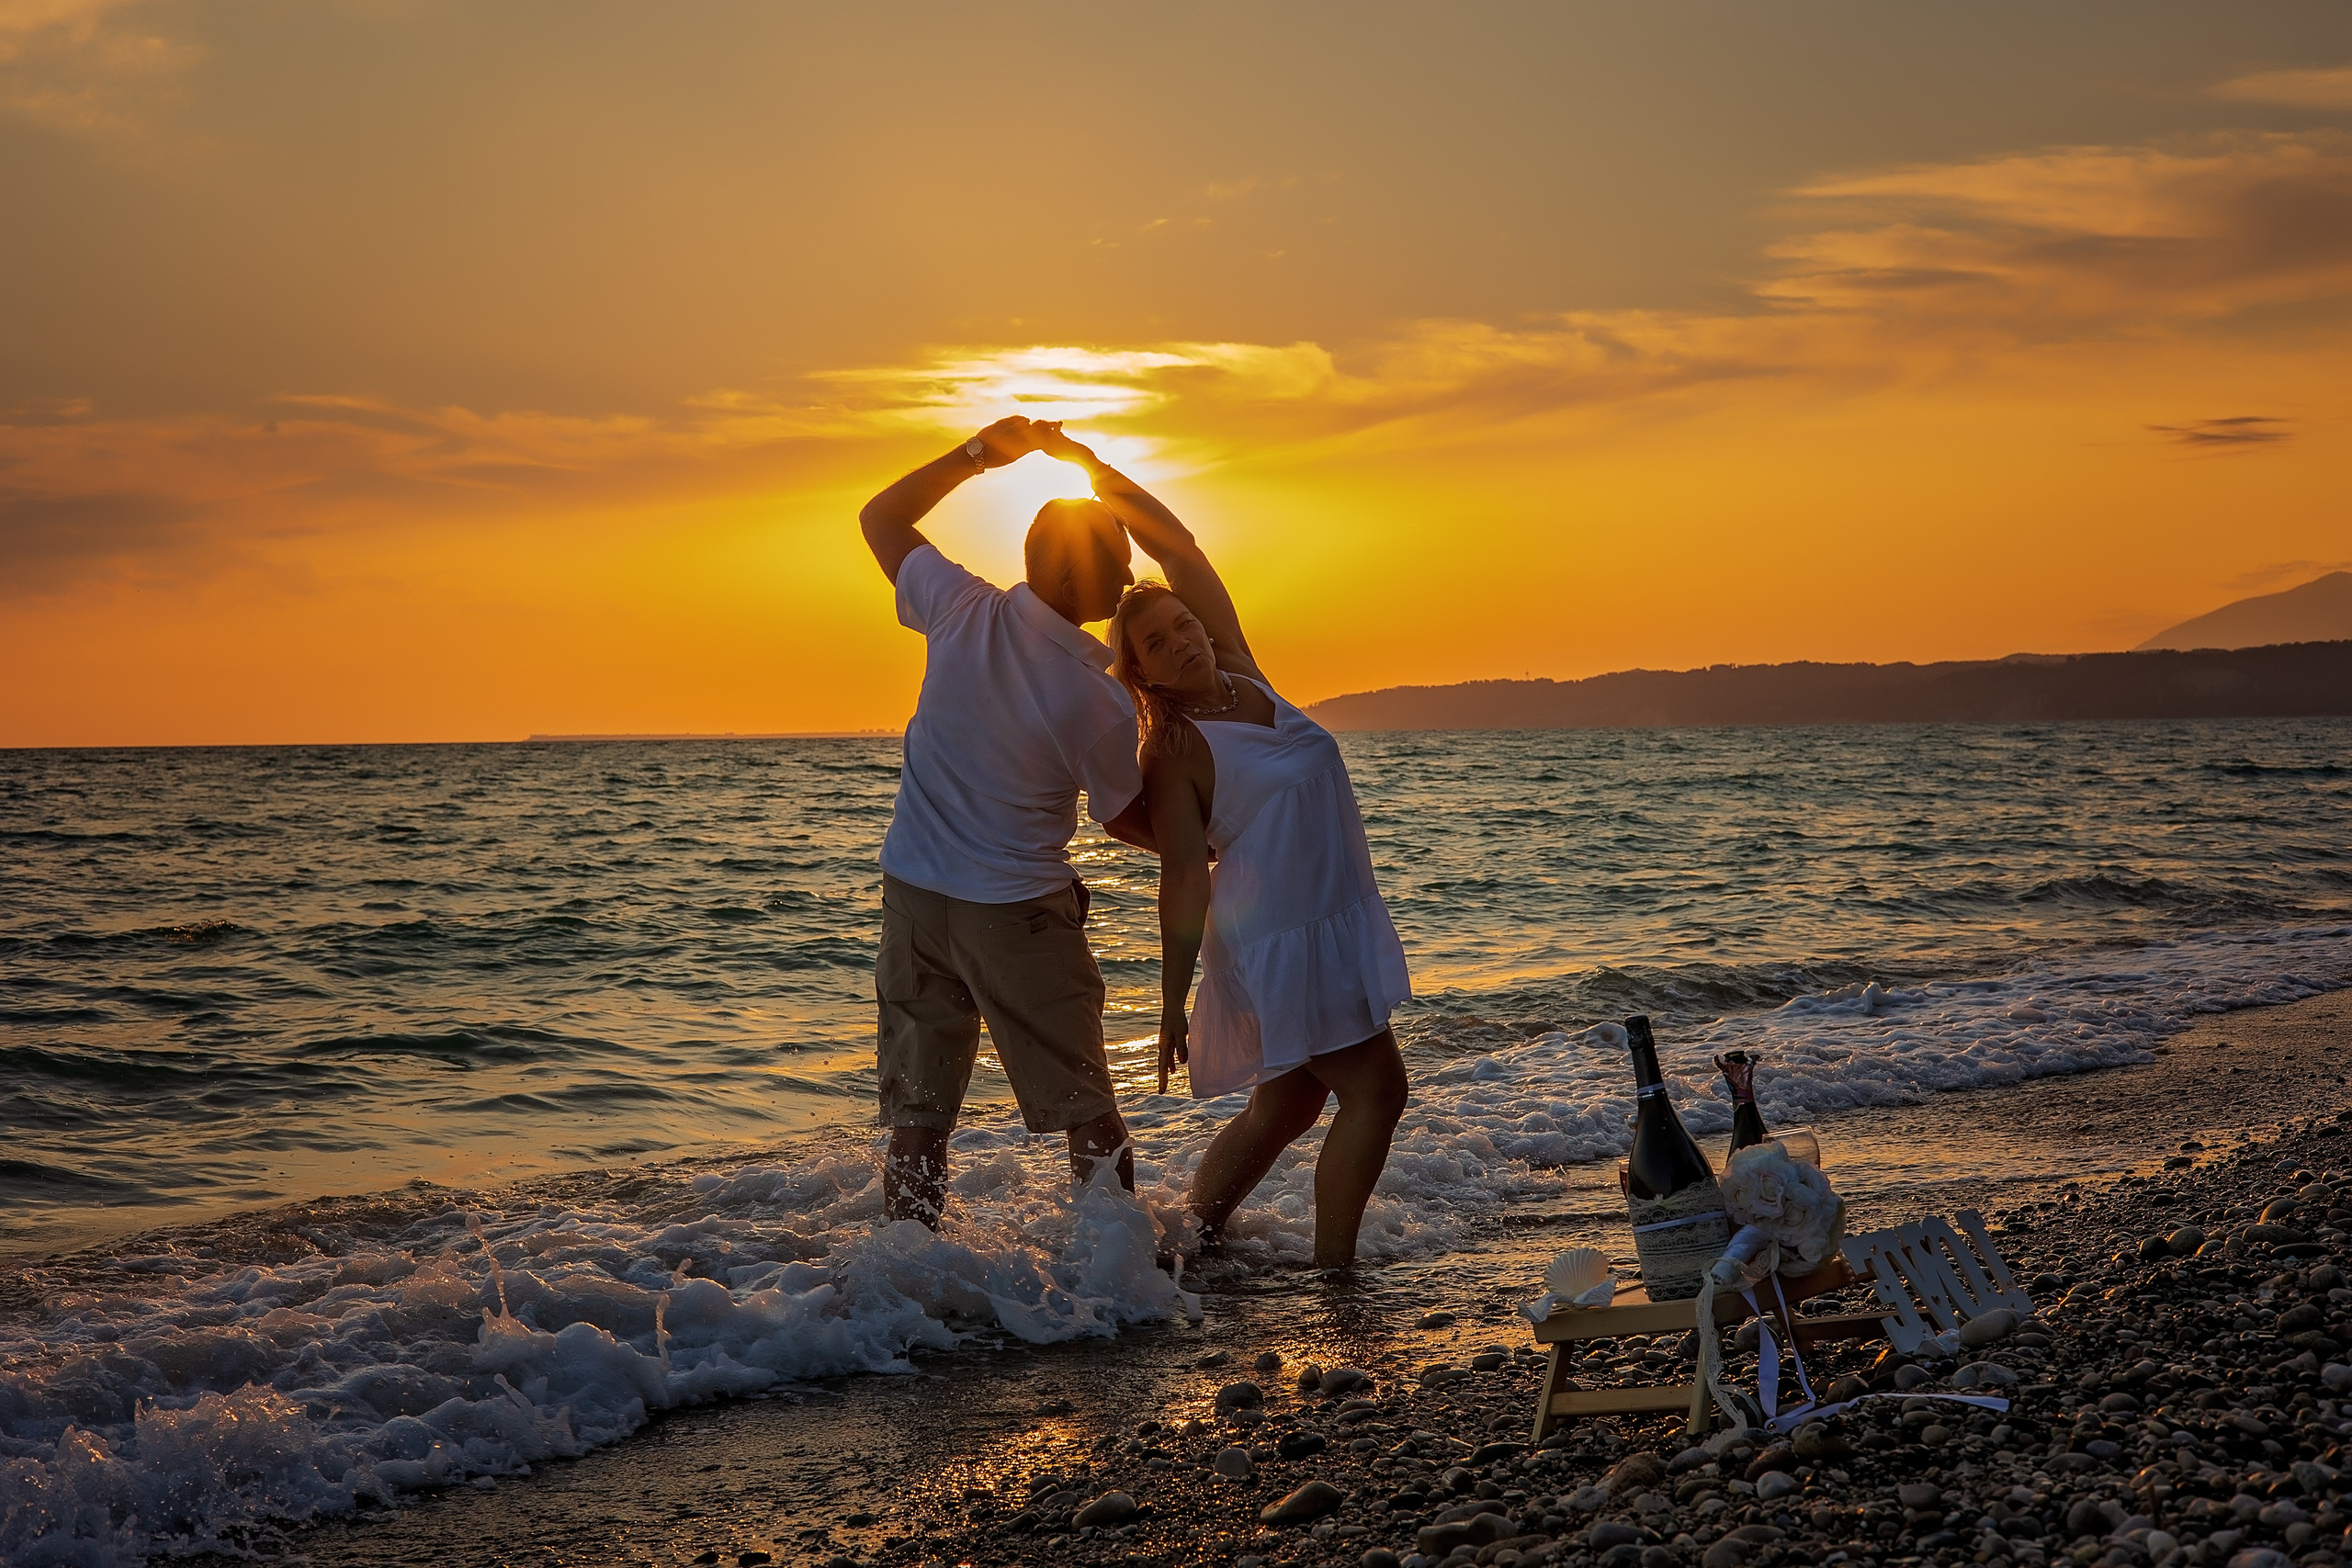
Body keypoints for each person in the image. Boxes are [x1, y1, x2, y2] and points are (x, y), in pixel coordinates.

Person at [1034, 424, 1412, 1269]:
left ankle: (1188, 1242)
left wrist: (1095, 472)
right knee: (1379, 1091)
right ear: (1145, 676)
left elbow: (1178, 546)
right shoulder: (1171, 751)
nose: (1181, 641)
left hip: (1326, 916)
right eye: (1157, 646)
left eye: (1180, 624)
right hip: (1280, 936)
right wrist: (1173, 1002)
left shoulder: (1244, 669)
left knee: (1288, 1104)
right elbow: (1181, 879)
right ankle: (1335, 1276)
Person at [856, 414, 1158, 1226]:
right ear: (1066, 571)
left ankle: (908, 1280)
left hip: (913, 896)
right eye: (1117, 559)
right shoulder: (1094, 697)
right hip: (1016, 912)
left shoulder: (958, 607)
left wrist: (980, 454)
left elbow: (879, 517)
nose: (1130, 575)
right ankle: (1116, 1274)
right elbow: (1129, 819)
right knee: (1087, 1104)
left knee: (920, 1115)